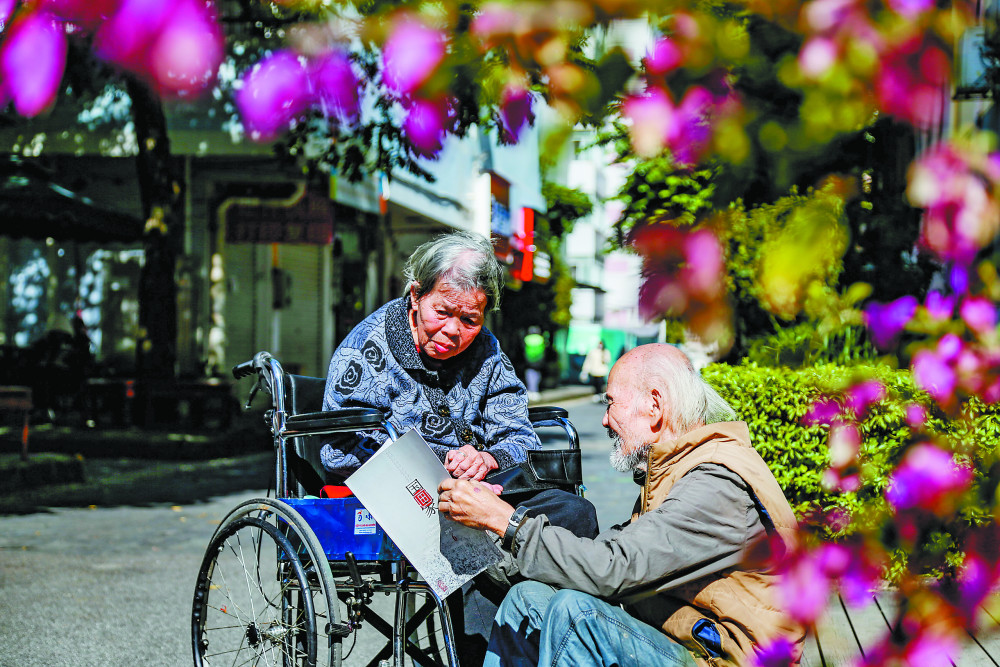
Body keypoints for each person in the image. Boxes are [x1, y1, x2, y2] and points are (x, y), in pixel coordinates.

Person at [320, 231, 598, 660]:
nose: (453, 331)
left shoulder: (487, 351)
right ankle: (490, 643)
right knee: (469, 538)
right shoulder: (368, 349)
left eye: (470, 320)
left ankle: (549, 637)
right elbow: (341, 446)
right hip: (402, 495)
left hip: (484, 489)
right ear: (416, 295)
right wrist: (441, 473)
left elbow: (520, 434)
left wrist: (486, 457)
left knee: (574, 512)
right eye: (442, 312)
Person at [438, 343, 804, 666]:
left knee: (577, 615)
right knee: (527, 598)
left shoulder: (714, 484)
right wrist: (486, 534)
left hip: (721, 659)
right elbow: (605, 555)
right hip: (683, 639)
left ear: (654, 406)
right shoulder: (678, 468)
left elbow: (613, 568)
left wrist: (507, 521)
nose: (604, 419)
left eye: (611, 402)